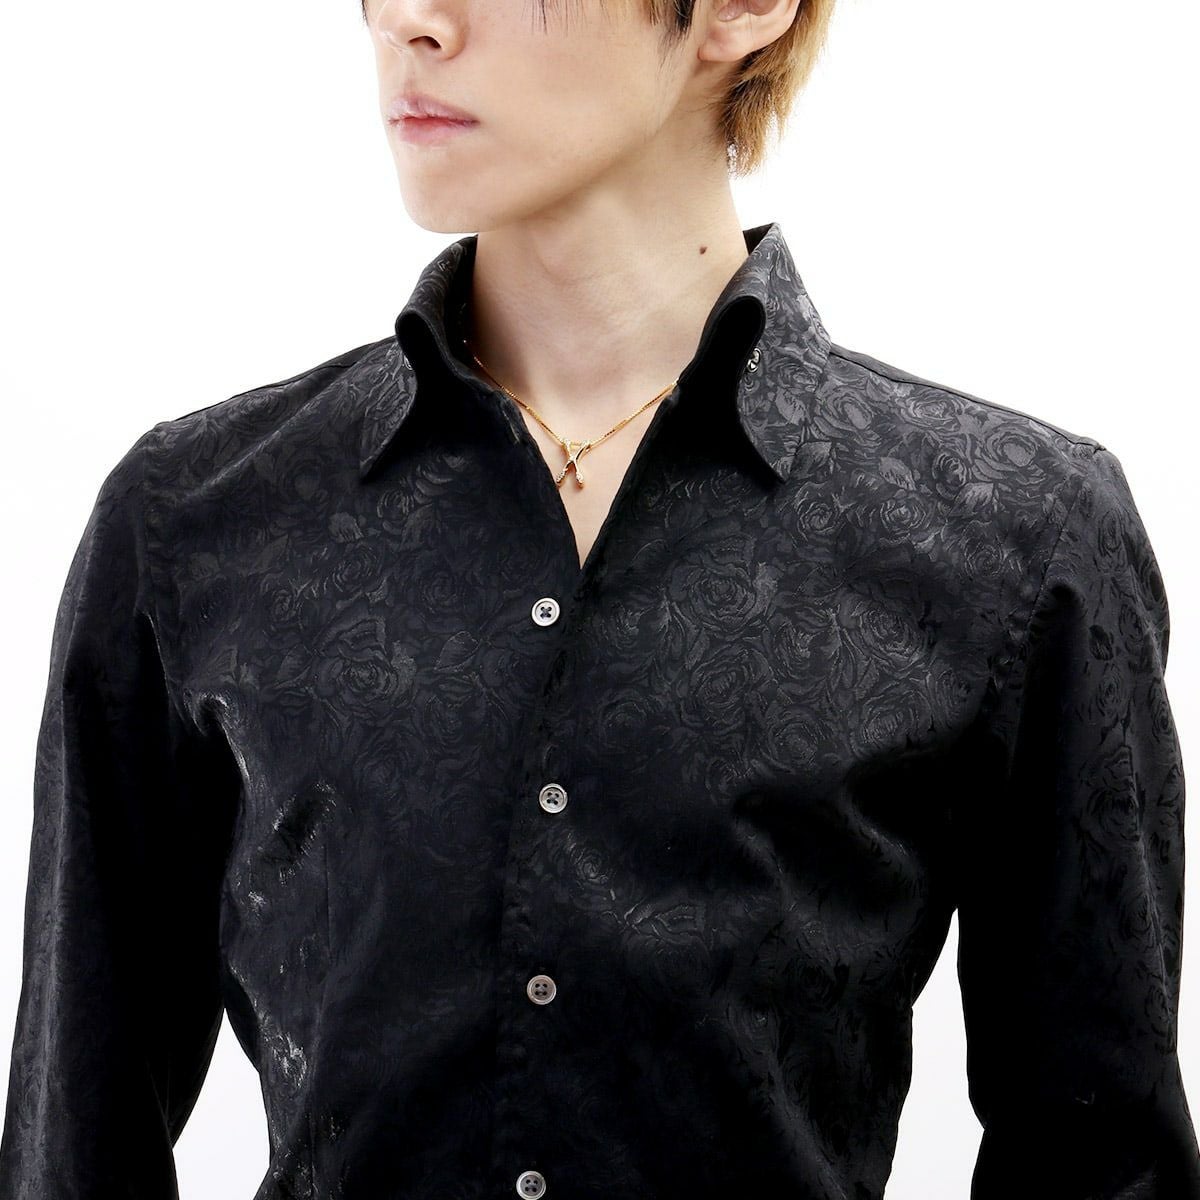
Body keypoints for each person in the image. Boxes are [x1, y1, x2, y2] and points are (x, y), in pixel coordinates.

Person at [0, 0, 1196, 1197]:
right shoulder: (200, 519)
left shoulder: (1013, 537)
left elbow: (1100, 1158)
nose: (409, 19)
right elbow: (72, 1147)